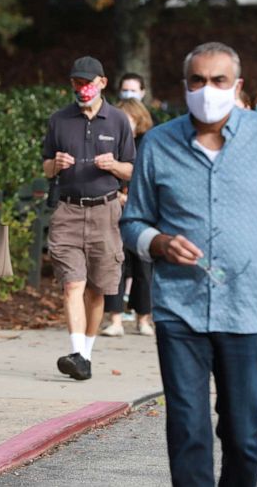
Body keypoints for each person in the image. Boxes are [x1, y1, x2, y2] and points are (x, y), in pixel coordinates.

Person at [121, 42, 257, 487]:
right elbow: (132, 221)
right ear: (185, 85)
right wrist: (158, 242)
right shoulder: (158, 143)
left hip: (247, 308)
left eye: (218, 81)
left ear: (237, 86)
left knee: (241, 434)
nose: (207, 89)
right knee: (188, 431)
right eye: (198, 80)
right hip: (179, 310)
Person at [42, 56, 135, 381]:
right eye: (78, 82)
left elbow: (132, 170)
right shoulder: (59, 120)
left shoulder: (119, 120)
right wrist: (56, 164)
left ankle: (85, 355)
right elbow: (45, 166)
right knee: (72, 284)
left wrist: (114, 166)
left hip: (106, 211)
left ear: (103, 83)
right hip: (68, 210)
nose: (83, 88)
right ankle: (77, 352)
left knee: (97, 289)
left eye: (88, 82)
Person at [101, 98, 154, 337]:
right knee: (116, 266)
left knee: (143, 267)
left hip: (143, 213)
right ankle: (115, 319)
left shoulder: (149, 144)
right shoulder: (109, 143)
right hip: (113, 212)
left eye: (128, 119)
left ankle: (143, 319)